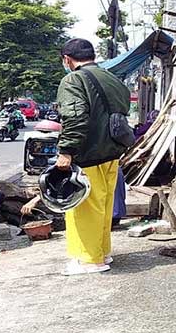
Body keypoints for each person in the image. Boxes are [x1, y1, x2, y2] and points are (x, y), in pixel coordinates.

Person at [55, 38, 131, 276]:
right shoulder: (112, 79)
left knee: (85, 207)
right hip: (112, 153)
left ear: (67, 59)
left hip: (88, 155)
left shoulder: (73, 80)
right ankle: (101, 252)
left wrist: (66, 151)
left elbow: (75, 117)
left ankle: (90, 260)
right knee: (103, 206)